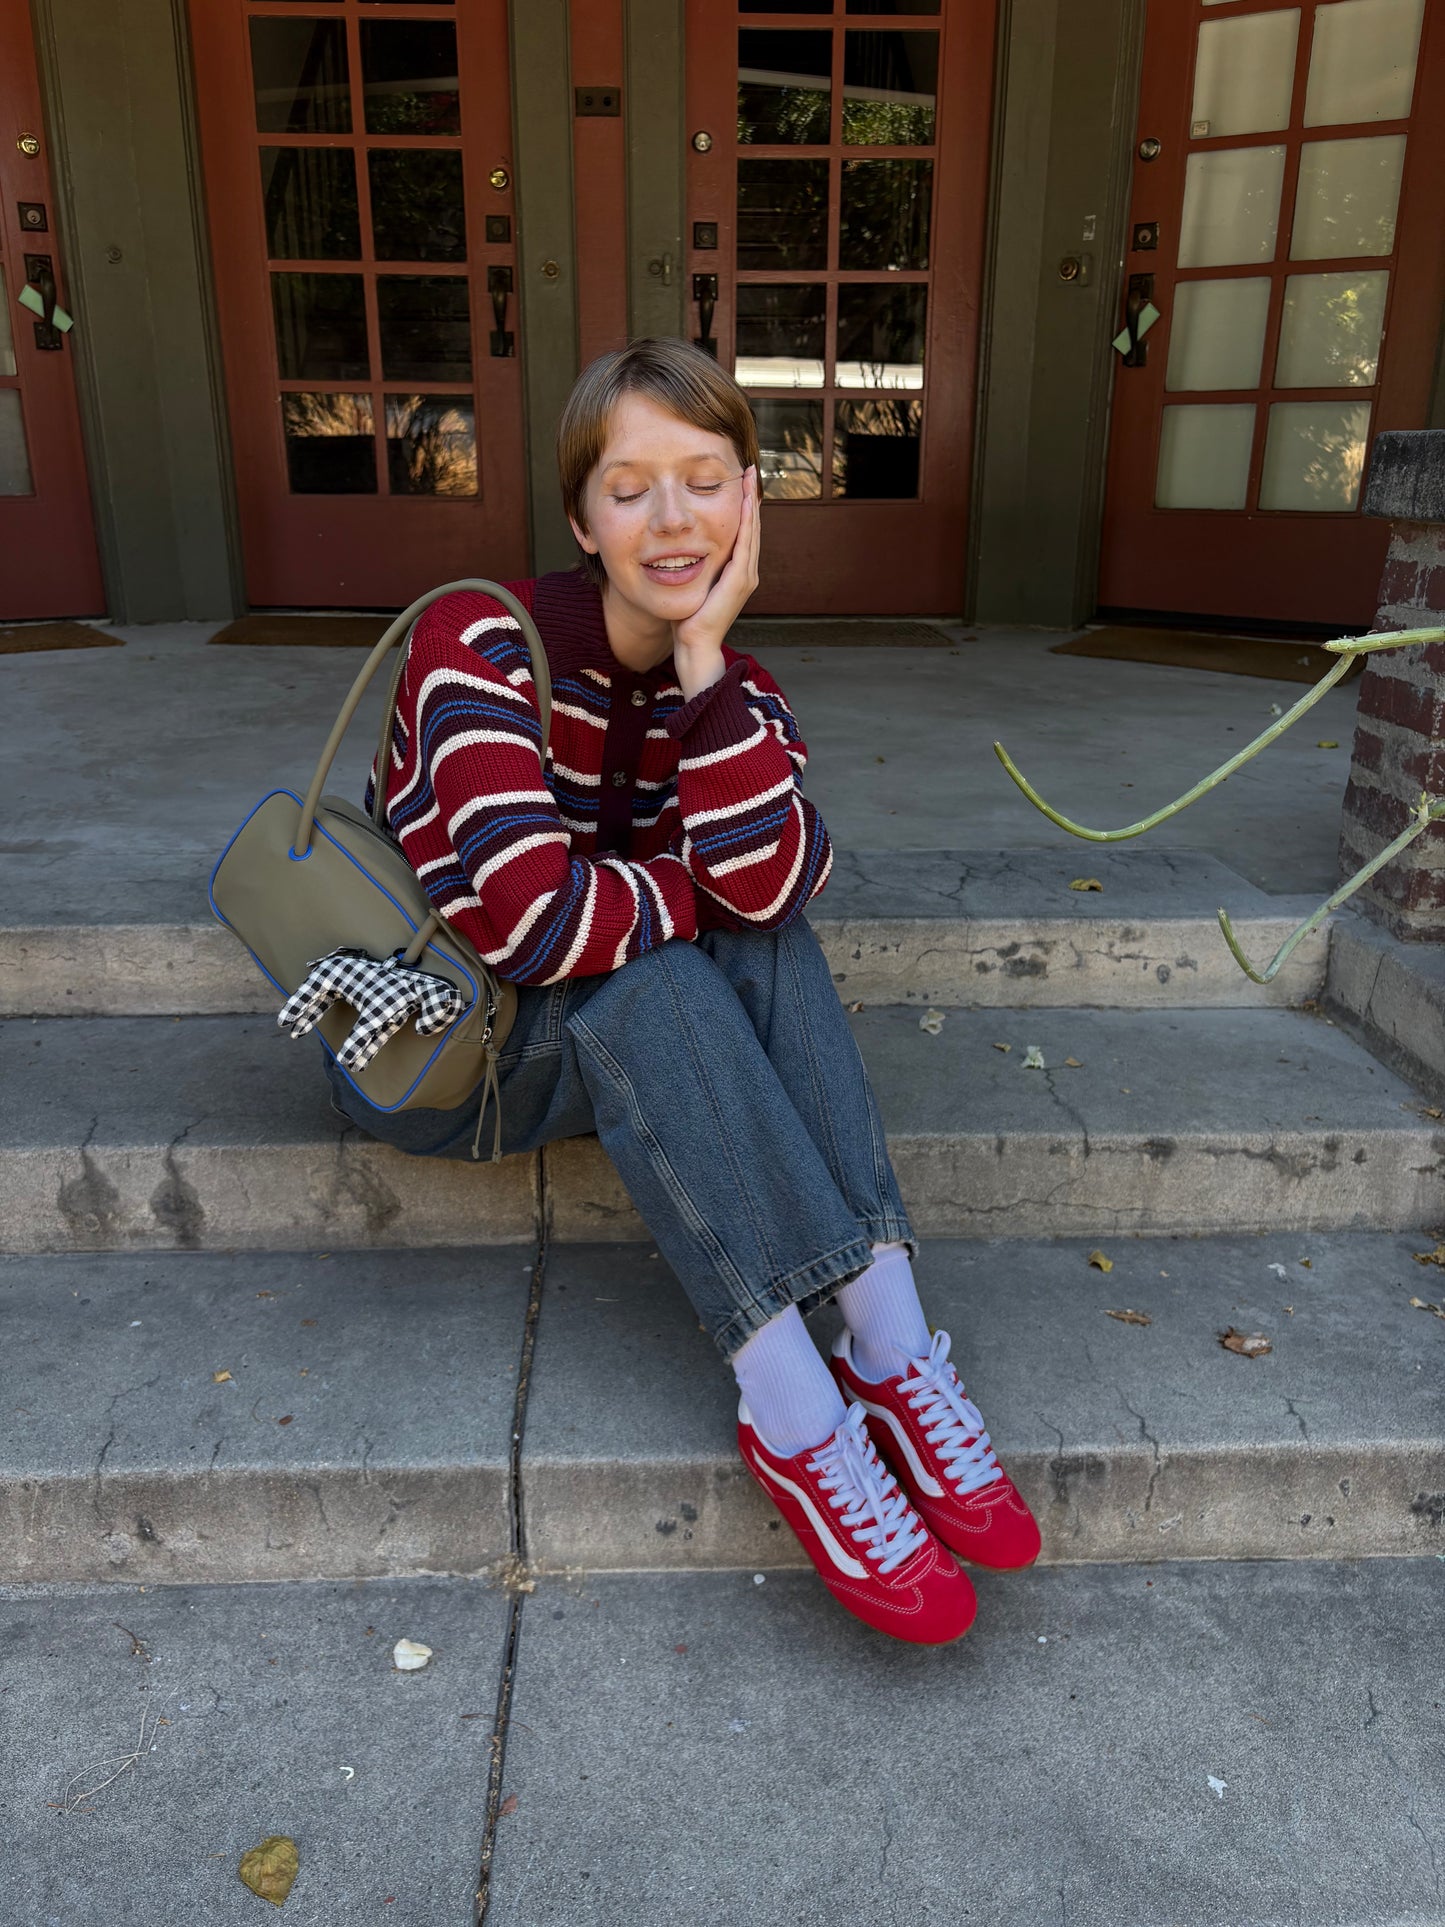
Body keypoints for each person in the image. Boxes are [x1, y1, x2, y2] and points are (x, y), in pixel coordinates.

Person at [330, 338, 1040, 1644]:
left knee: (748, 942)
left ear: (750, 500)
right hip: (453, 1055)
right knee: (660, 966)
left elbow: (770, 895)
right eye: (630, 486)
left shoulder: (740, 692)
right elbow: (536, 925)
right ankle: (796, 1413)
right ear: (579, 519)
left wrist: (706, 657)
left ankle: (889, 1352)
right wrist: (684, 891)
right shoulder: (475, 639)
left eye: (704, 479)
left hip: (617, 1027)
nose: (670, 520)